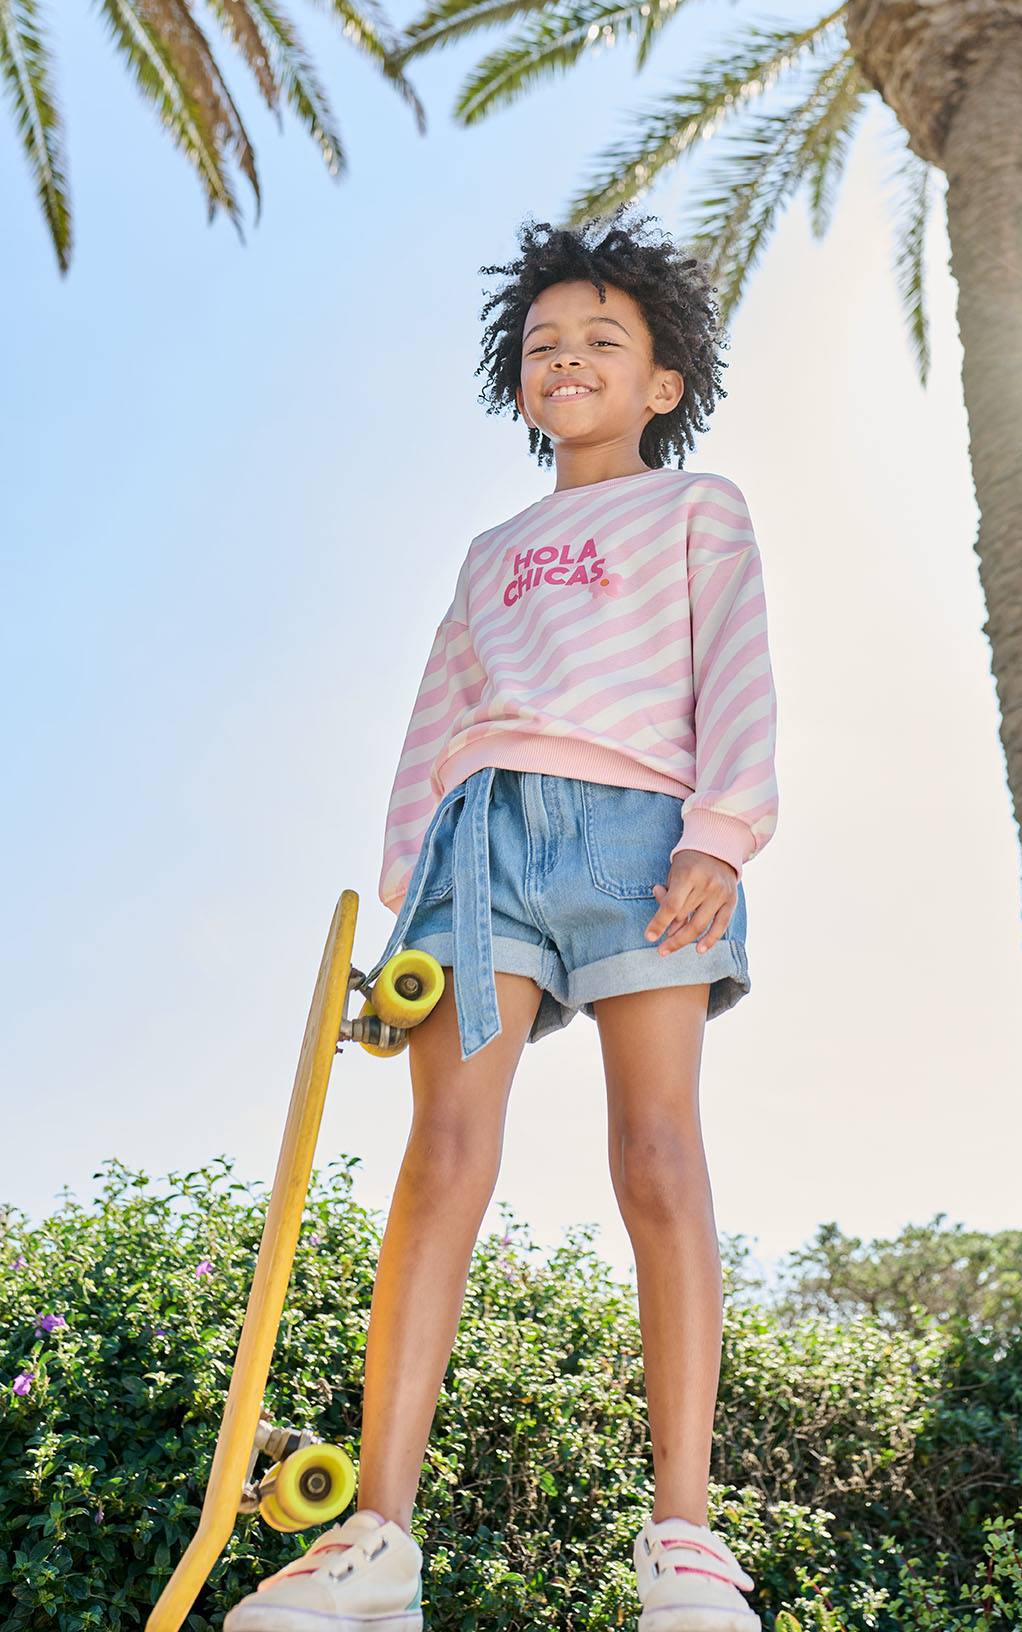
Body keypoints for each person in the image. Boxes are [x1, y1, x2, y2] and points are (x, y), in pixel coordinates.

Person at [225, 205, 779, 1632]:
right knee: (440, 1158)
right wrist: (409, 900)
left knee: (656, 1150)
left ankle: (686, 1544)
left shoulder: (697, 507)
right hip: (479, 850)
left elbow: (739, 671)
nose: (568, 357)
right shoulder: (490, 553)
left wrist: (724, 833)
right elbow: (435, 722)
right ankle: (374, 1547)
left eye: (606, 337)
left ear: (664, 383)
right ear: (515, 380)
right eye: (543, 343)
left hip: (645, 833)